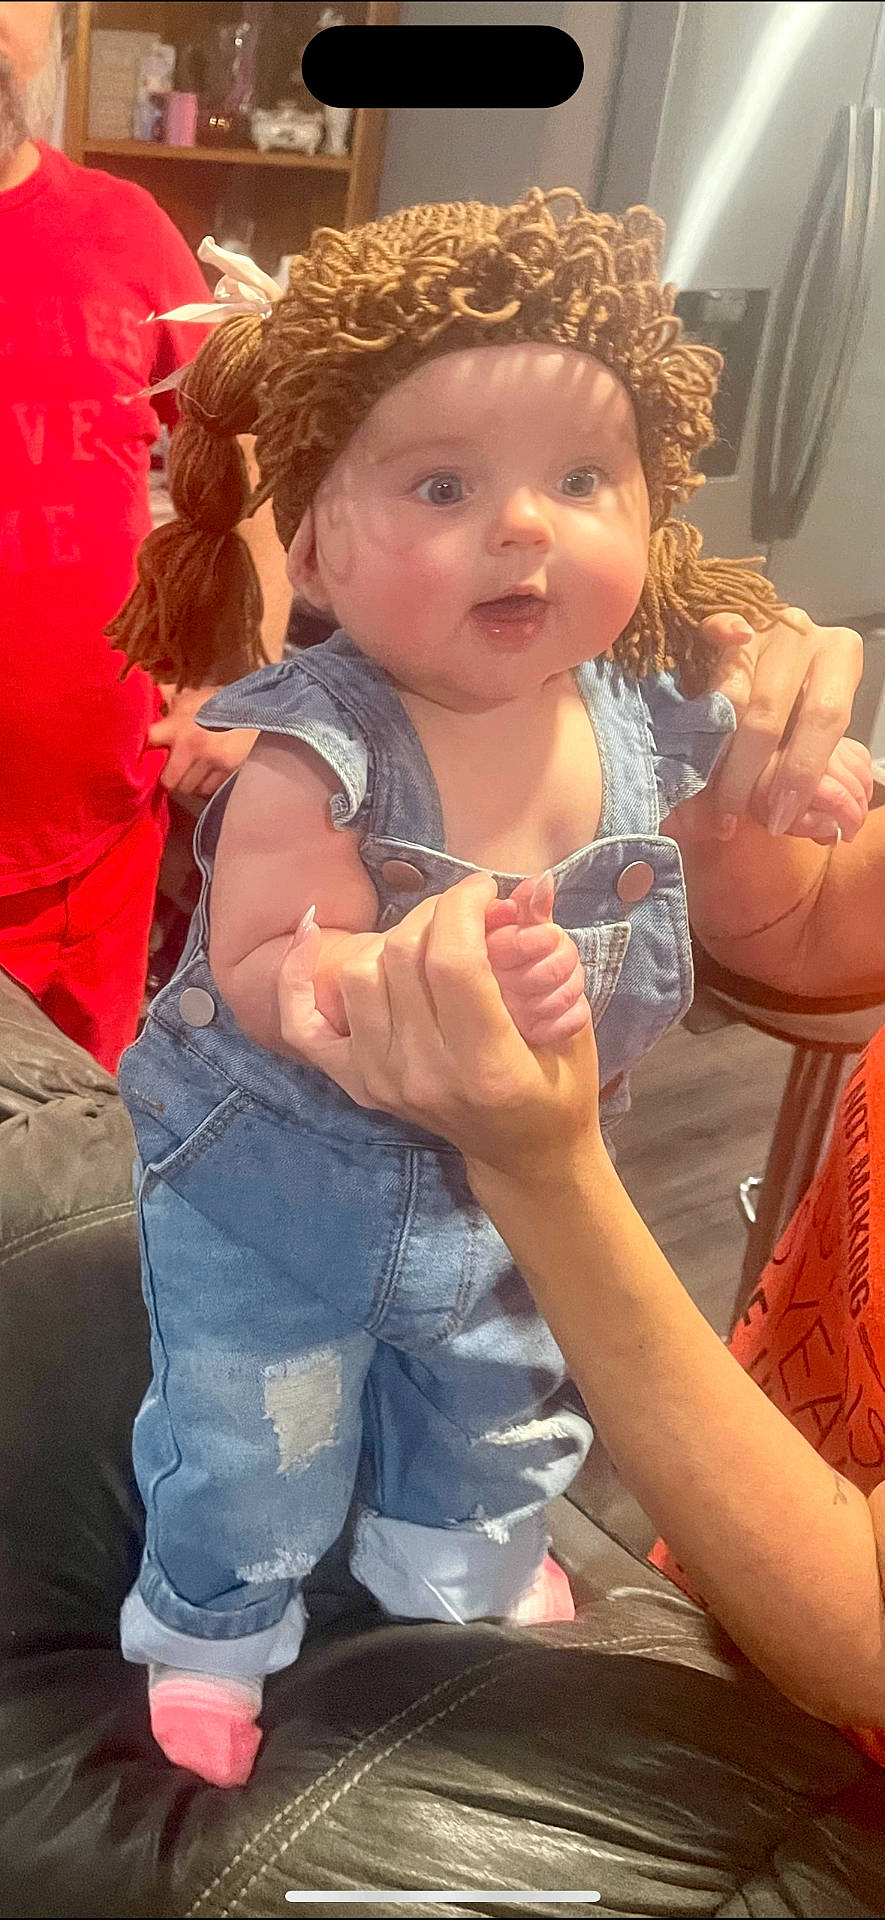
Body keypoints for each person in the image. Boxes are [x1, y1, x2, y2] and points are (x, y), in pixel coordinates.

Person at [107, 185, 870, 1788]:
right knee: (260, 1434)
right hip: (282, 1189)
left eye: (582, 480)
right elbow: (253, 961)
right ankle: (212, 1628)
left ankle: (447, 1564)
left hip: (510, 1195)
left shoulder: (640, 703)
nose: (526, 527)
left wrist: (794, 798)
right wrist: (361, 980)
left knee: (500, 1402)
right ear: (312, 542)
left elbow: (757, 822)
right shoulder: (319, 750)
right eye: (446, 486)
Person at [277, 860, 885, 1763]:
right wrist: (726, 823)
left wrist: (541, 1169)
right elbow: (807, 918)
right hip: (736, 1535)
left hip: (831, 1751)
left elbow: (863, 1633)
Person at [0, 1, 288, 1070]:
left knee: (81, 1185)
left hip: (98, 856)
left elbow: (241, 455)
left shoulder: (125, 229)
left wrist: (235, 679)